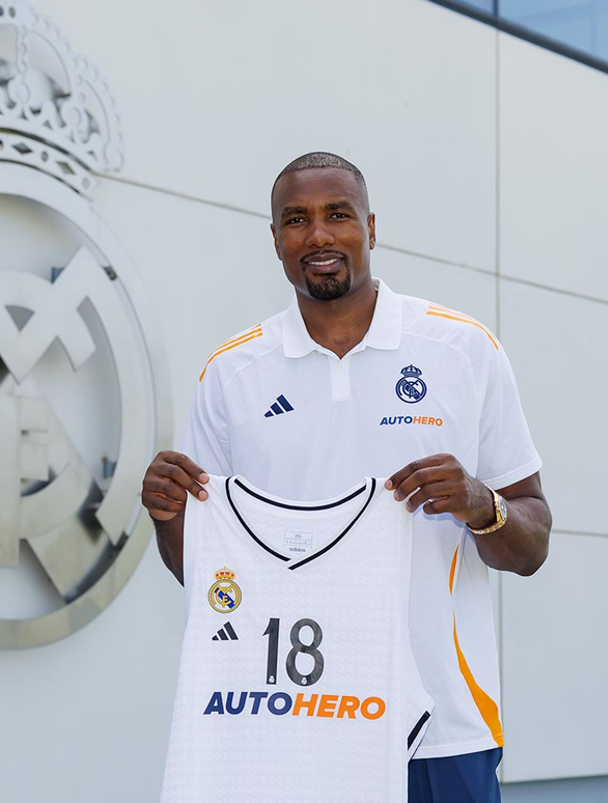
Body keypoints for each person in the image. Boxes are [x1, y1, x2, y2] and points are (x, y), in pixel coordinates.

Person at [142, 151, 551, 802]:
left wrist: (481, 503)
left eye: (338, 215)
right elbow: (212, 574)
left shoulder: (462, 350)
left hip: (441, 727)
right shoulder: (234, 373)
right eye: (296, 220)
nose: (320, 235)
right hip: (291, 721)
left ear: (371, 226)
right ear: (275, 238)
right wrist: (169, 518)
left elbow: (533, 542)